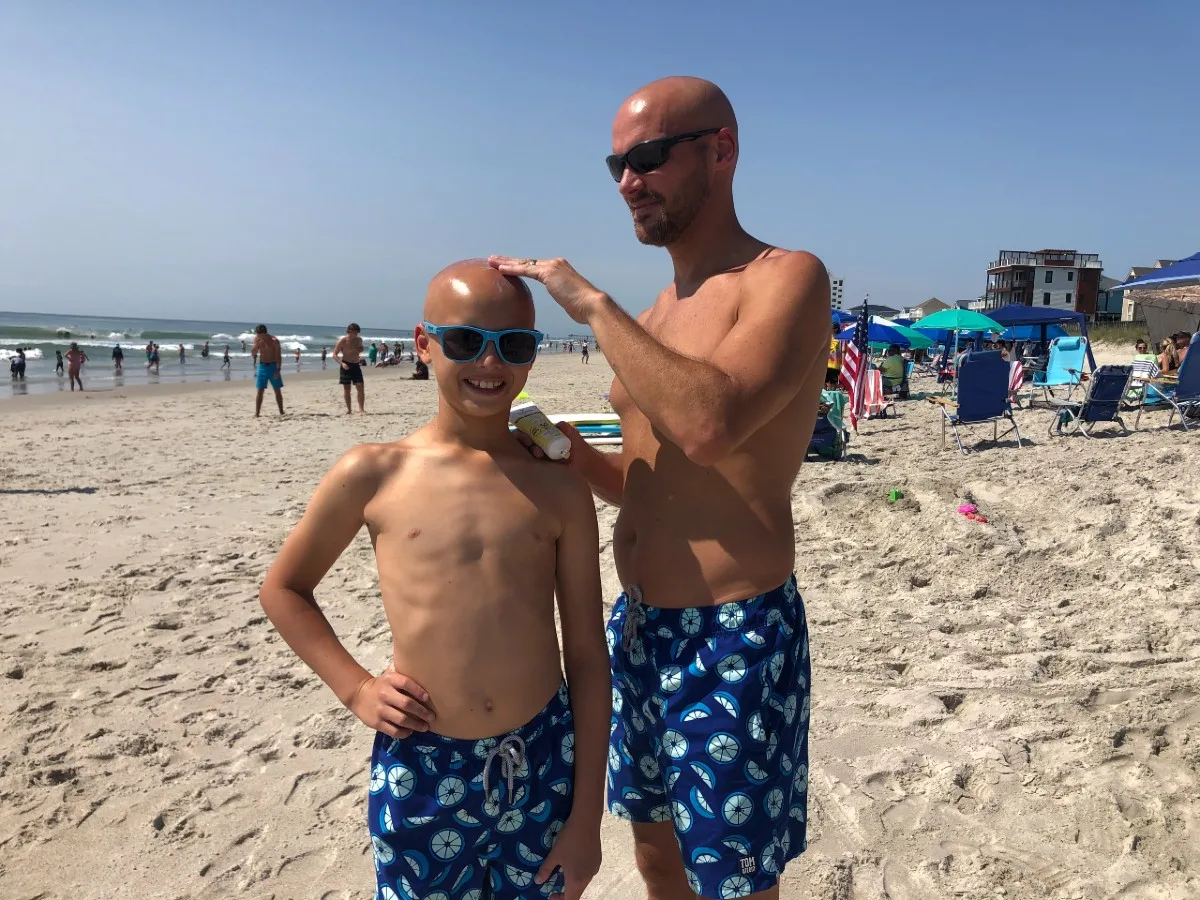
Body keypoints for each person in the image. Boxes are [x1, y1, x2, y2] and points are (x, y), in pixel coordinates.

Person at [489, 76, 826, 900]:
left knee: (733, 882)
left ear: (722, 149)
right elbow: (648, 484)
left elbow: (710, 426)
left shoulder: (785, 279)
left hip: (734, 635)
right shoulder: (660, 310)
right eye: (616, 165)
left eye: (647, 158)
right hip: (639, 630)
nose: (628, 184)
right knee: (656, 861)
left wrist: (594, 307)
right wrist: (566, 454)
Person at [258, 260, 607, 900]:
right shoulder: (374, 473)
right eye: (467, 341)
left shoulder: (558, 486)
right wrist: (356, 688)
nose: (490, 363)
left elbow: (586, 653)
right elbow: (284, 589)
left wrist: (587, 818)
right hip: (422, 762)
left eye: (515, 345)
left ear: (533, 355)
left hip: (544, 756)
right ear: (425, 343)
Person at [251, 324, 285, 417]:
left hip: (273, 366)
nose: (258, 336)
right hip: (262, 366)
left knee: (277, 389)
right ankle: (257, 413)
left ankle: (281, 411)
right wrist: (256, 344)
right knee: (260, 390)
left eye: (259, 335)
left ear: (264, 334)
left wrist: (278, 370)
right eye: (257, 335)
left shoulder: (274, 341)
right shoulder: (257, 339)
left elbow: (278, 356)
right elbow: (253, 353)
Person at [333, 322, 367, 414]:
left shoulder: (359, 339)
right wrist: (342, 363)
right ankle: (349, 410)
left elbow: (361, 349)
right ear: (349, 331)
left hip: (356, 365)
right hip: (346, 365)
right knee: (347, 389)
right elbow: (334, 355)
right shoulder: (343, 341)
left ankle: (361, 409)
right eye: (354, 332)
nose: (355, 335)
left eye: (357, 333)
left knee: (360, 387)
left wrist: (360, 350)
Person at [827, 321, 843, 386]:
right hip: (826, 364)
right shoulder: (827, 338)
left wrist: (842, 363)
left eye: (831, 327)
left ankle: (832, 395)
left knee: (833, 382)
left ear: (836, 329)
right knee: (825, 381)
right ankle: (825, 395)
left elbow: (842, 351)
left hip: (835, 365)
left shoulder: (840, 339)